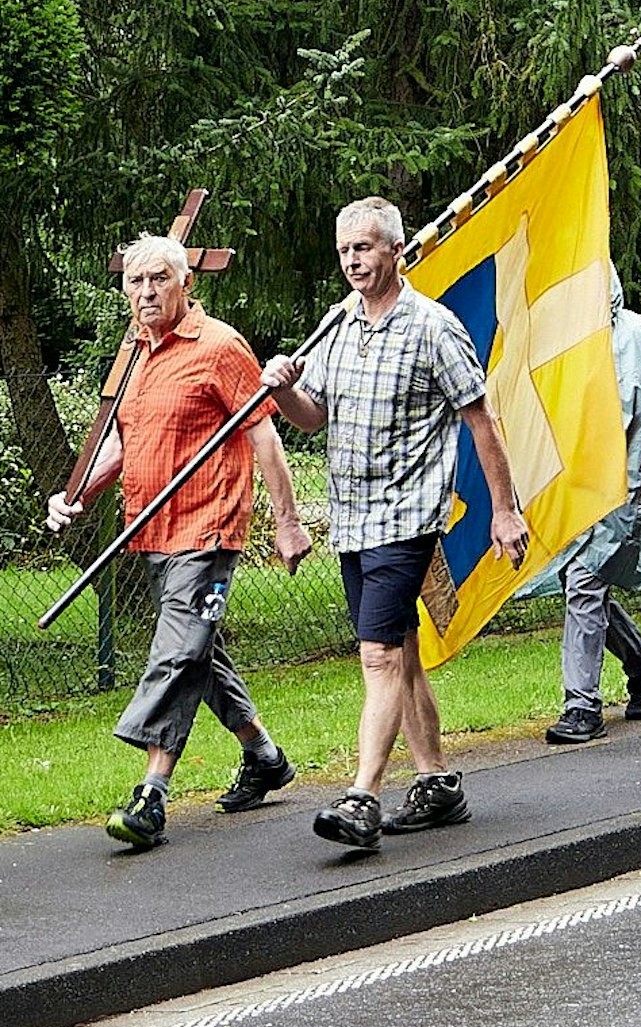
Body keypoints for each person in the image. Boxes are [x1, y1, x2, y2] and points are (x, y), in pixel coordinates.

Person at [262, 197, 530, 851]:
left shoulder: (433, 327)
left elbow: (481, 421)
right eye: (345, 250)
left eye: (366, 248)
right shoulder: (335, 325)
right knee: (402, 651)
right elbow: (311, 416)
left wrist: (503, 509)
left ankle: (362, 796)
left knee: (377, 656)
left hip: (407, 518)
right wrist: (281, 390)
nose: (354, 261)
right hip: (352, 520)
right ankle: (437, 780)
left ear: (395, 251)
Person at [45, 235, 311, 850]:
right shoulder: (136, 352)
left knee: (177, 651)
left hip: (208, 526)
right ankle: (264, 756)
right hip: (153, 528)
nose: (147, 292)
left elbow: (264, 434)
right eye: (136, 283)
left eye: (159, 280)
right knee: (200, 649)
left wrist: (287, 520)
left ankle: (150, 796)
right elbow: (125, 443)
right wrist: (79, 492)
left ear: (184, 283)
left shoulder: (218, 346)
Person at [531, 268, 641, 743]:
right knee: (578, 582)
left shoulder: (635, 338)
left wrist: (631, 504)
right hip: (576, 489)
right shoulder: (567, 344)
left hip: (622, 491)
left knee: (584, 583)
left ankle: (581, 706)